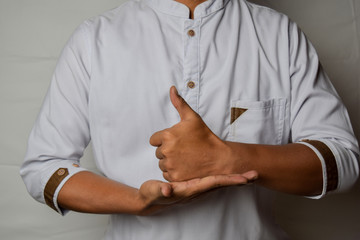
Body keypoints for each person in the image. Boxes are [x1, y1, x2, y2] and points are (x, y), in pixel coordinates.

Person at [20, 0, 359, 239]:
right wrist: (138, 202)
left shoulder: (278, 34)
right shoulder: (95, 39)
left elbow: (343, 160)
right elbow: (43, 167)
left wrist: (227, 157)